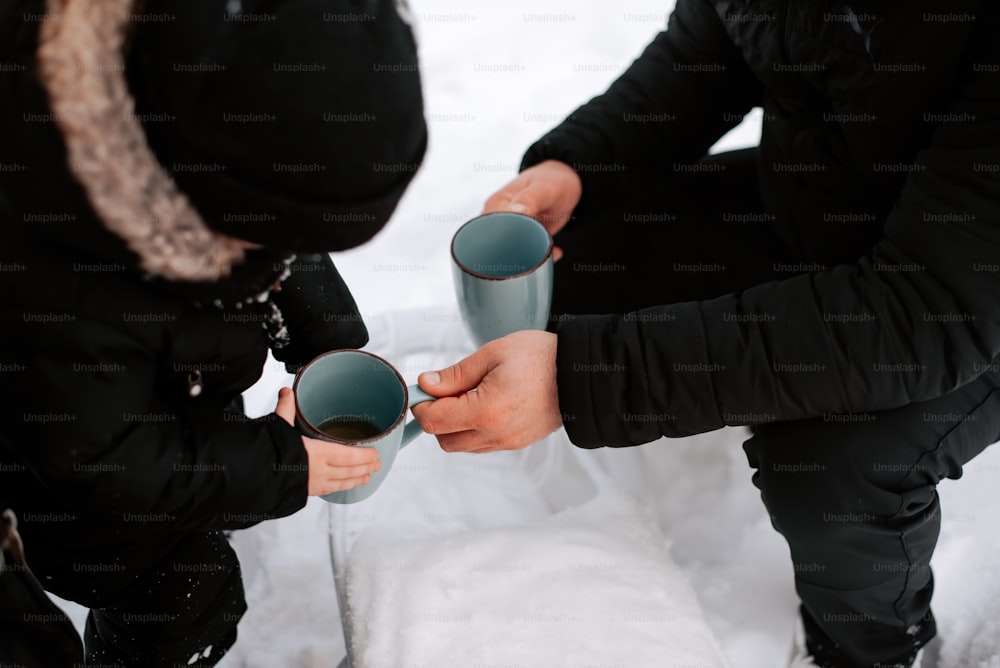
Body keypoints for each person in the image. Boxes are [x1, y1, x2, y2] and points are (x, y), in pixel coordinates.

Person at [411, 1, 1000, 666]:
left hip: (958, 294)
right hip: (822, 197)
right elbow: (709, 53)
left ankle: (883, 647)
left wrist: (577, 381)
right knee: (578, 267)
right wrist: (579, 166)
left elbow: (922, 310)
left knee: (829, 467)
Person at [0, 0, 425, 665]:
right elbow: (105, 463)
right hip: (68, 479)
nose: (286, 249)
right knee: (170, 594)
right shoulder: (52, 270)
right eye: (270, 235)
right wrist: (275, 465)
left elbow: (276, 218)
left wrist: (326, 334)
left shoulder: (210, 118)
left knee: (195, 577)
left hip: (177, 389)